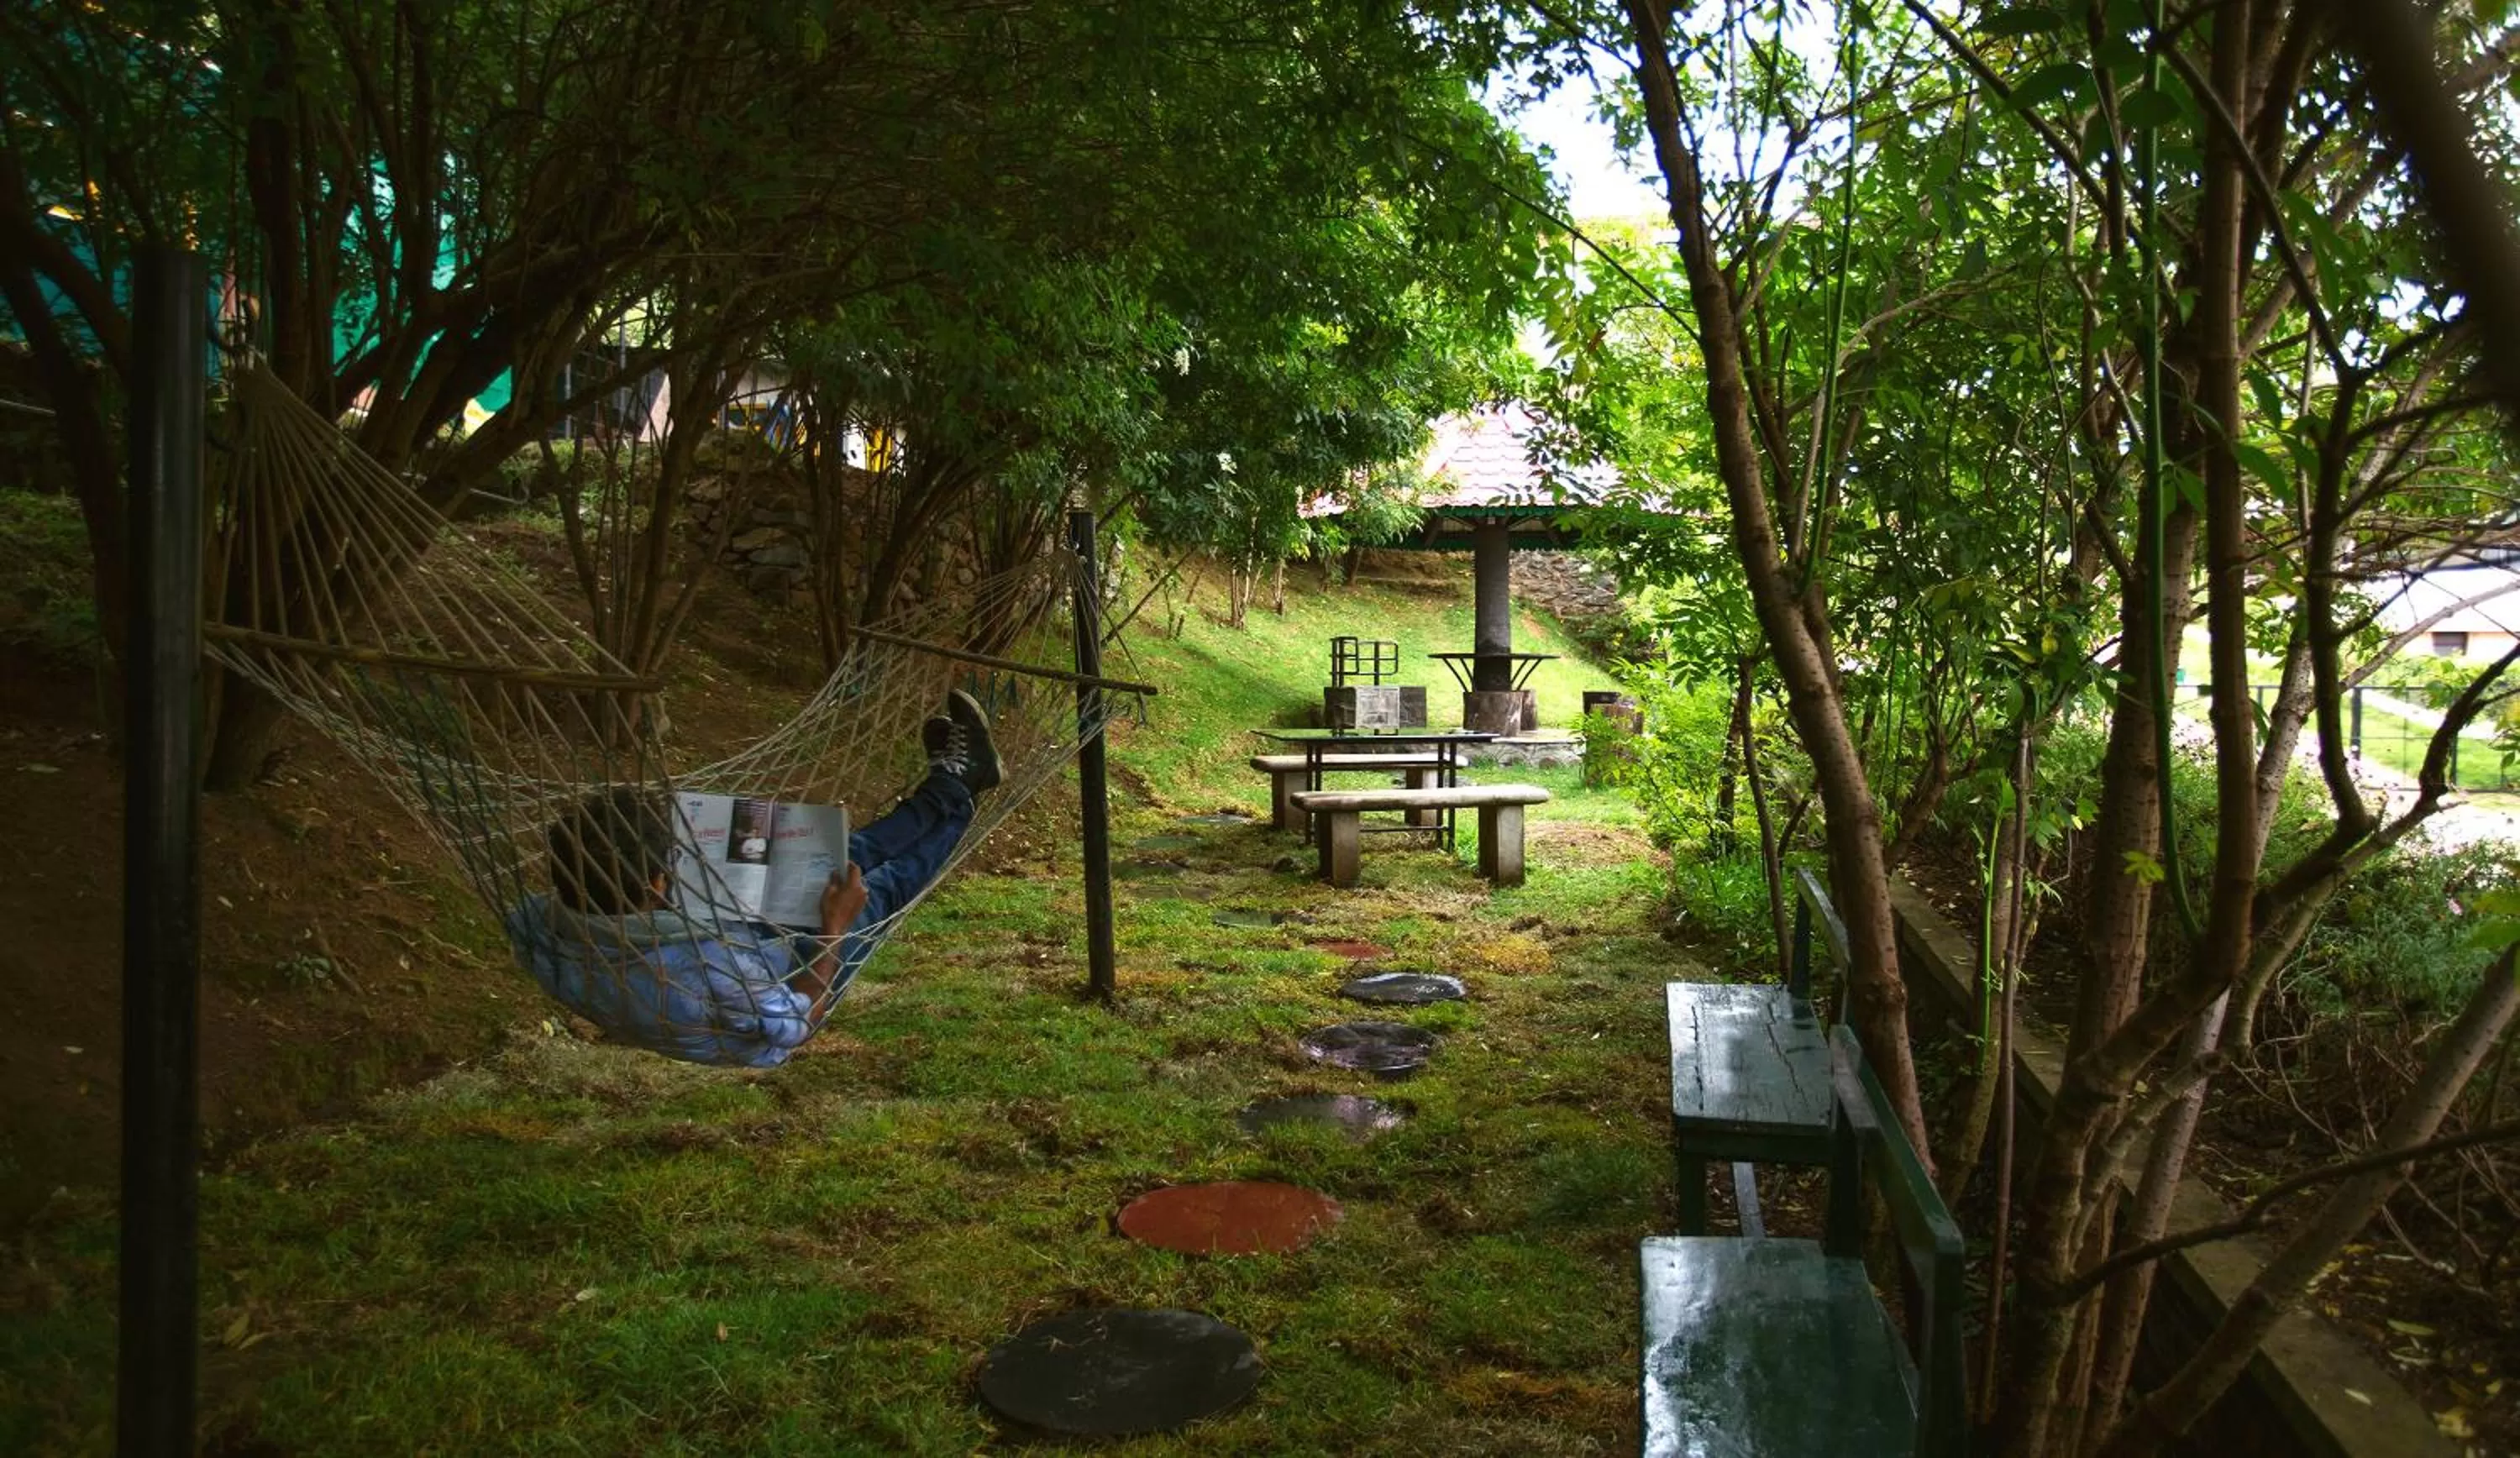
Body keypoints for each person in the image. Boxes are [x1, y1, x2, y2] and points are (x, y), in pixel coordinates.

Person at [506, 690, 1003, 1067]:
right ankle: (961, 790)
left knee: (834, 858)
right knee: (877, 891)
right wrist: (832, 929)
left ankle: (952, 782)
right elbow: (791, 1026)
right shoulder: (712, 970)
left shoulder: (539, 920)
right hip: (782, 987)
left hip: (687, 943)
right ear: (658, 884)